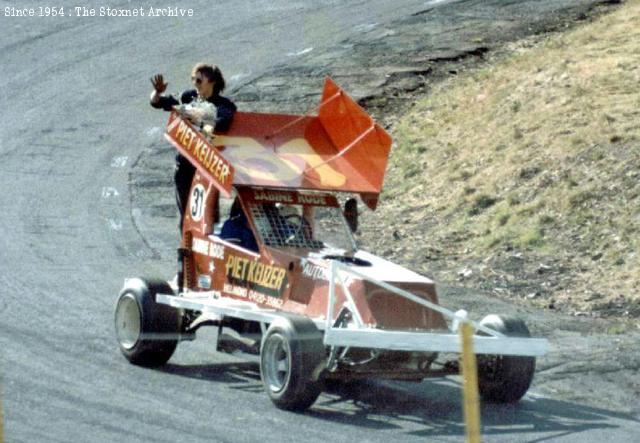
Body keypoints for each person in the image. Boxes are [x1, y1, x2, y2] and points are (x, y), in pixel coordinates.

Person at [149, 63, 237, 232]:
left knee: (209, 214)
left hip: (208, 166)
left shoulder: (224, 105)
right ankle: (184, 254)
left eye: (198, 80)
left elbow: (223, 122)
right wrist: (157, 93)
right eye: (193, 80)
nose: (194, 84)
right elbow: (158, 103)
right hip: (185, 163)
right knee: (186, 214)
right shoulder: (189, 97)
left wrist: (197, 119)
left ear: (212, 82)